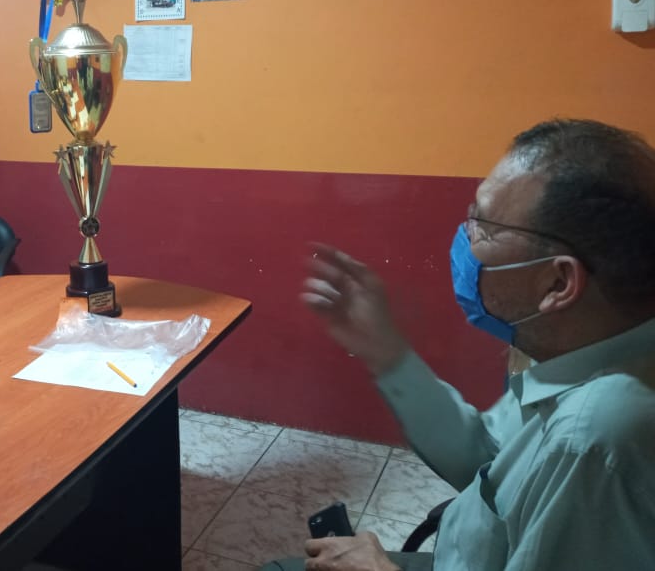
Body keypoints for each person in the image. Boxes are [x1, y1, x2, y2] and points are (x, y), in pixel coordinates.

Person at [269, 118, 655, 571]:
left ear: (558, 282)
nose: (466, 238)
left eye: (484, 225)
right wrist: (386, 352)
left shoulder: (594, 433)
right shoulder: (581, 352)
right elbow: (484, 456)